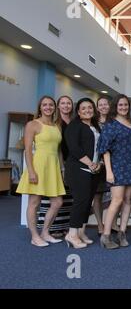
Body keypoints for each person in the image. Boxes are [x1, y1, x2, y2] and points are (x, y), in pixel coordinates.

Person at [16, 96, 65, 247]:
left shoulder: (57, 126)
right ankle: (34, 236)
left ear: (54, 108)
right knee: (34, 202)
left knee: (57, 202)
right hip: (38, 166)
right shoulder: (32, 124)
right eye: (45, 105)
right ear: (40, 107)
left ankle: (45, 232)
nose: (48, 107)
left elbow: (58, 151)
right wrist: (31, 171)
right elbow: (28, 150)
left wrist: (62, 169)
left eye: (51, 105)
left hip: (53, 167)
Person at [98, 94, 131, 249]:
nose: (123, 107)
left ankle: (122, 233)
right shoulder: (111, 125)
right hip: (117, 166)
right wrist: (109, 171)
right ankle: (106, 235)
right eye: (120, 105)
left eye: (126, 105)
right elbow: (105, 150)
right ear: (115, 107)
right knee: (117, 200)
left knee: (128, 199)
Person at [64, 98, 102, 249]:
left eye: (90, 107)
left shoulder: (95, 126)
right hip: (79, 169)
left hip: (94, 170)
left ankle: (81, 232)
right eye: (83, 108)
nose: (87, 110)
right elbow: (74, 148)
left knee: (88, 202)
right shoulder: (74, 126)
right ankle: (72, 234)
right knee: (80, 201)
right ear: (78, 112)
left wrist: (98, 164)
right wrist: (90, 164)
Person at [38, 95, 73, 237]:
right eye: (62, 103)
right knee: (52, 195)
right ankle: (51, 228)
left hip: (72, 162)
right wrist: (61, 164)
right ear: (58, 106)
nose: (66, 106)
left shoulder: (76, 121)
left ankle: (64, 226)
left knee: (68, 196)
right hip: (57, 161)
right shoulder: (54, 122)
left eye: (68, 103)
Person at [92, 96, 113, 236]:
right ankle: (100, 225)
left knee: (116, 196)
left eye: (106, 104)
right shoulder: (93, 123)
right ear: (97, 107)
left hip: (114, 163)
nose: (104, 106)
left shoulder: (114, 121)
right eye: (101, 104)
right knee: (98, 196)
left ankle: (113, 224)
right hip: (98, 163)